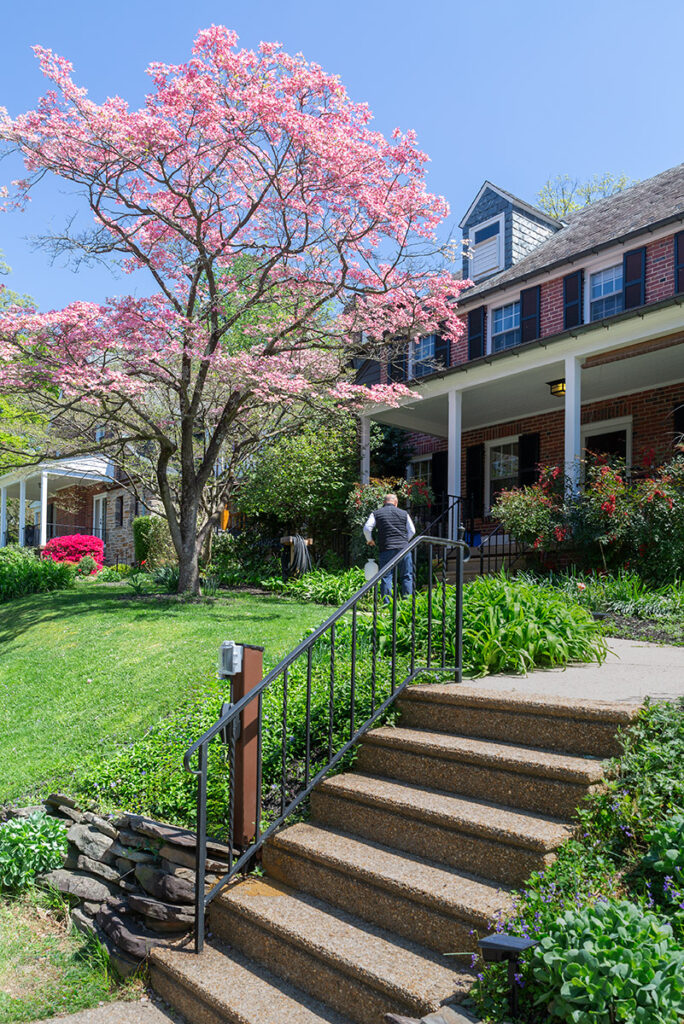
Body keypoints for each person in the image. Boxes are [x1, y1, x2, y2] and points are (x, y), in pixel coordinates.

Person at [363, 493, 416, 602]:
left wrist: (370, 540)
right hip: (403, 548)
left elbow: (367, 528)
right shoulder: (404, 513)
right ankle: (407, 603)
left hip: (386, 548)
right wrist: (404, 541)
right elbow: (412, 531)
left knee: (386, 577)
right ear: (396, 503)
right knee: (407, 576)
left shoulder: (376, 513)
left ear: (384, 502)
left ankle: (387, 605)